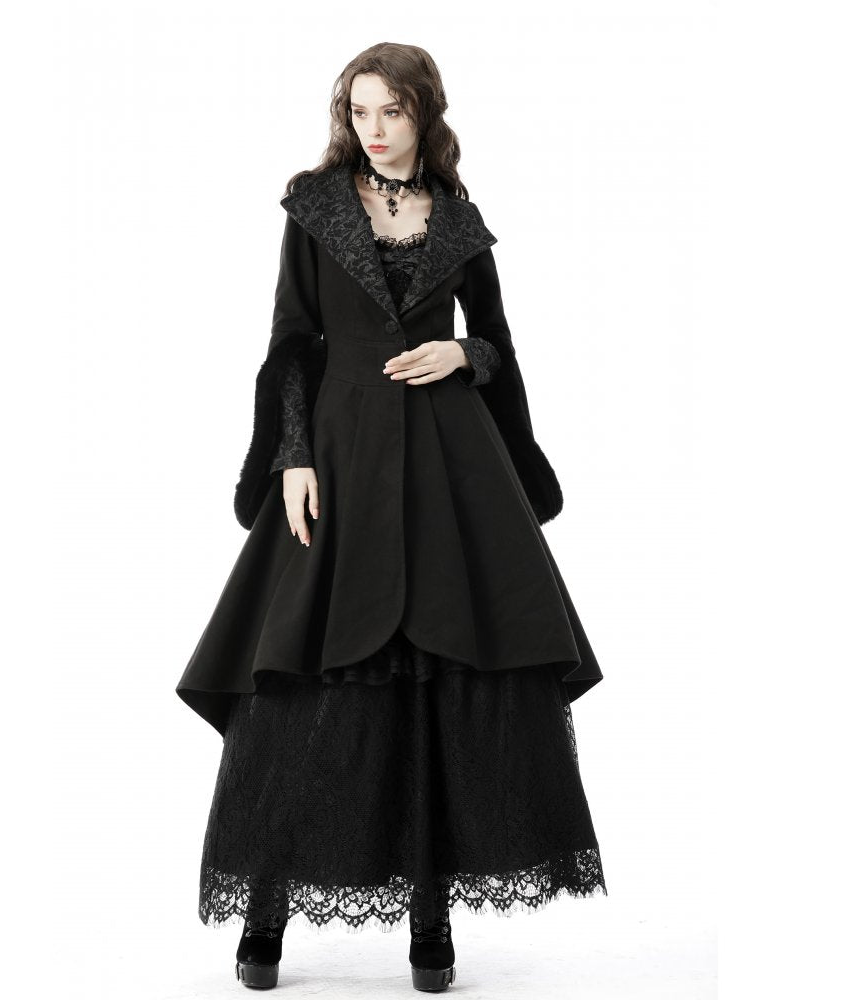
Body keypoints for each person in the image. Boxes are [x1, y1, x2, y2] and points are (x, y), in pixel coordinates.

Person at [175, 43, 607, 992]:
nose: (372, 128)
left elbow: (496, 342)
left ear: (425, 114)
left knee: (438, 682)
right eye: (359, 110)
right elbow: (292, 341)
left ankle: (430, 920)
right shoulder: (316, 206)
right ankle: (265, 912)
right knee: (303, 681)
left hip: (451, 468)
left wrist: (464, 357)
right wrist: (292, 456)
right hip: (339, 459)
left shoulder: (460, 220)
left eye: (392, 111)